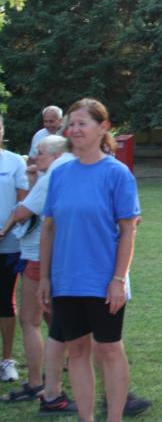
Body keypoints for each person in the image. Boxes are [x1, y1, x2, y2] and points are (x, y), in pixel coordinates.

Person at [38, 99, 141, 422]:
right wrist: (45, 278)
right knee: (77, 350)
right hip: (66, 279)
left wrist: (118, 279)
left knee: (109, 349)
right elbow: (49, 228)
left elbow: (128, 231)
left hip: (103, 280)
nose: (75, 129)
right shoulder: (60, 173)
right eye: (71, 124)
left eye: (82, 123)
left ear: (103, 127)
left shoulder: (117, 174)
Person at [0, 134, 71, 403]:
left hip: (38, 257)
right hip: (50, 256)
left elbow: (22, 213)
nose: (33, 157)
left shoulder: (51, 177)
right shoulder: (59, 175)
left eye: (40, 152)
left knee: (30, 321)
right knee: (52, 317)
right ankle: (56, 375)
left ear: (56, 156)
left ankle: (37, 383)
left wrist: (7, 224)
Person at [0, 115, 29, 383]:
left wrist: (4, 230)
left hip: (8, 246)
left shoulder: (14, 162)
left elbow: (22, 203)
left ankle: (7, 359)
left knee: (5, 301)